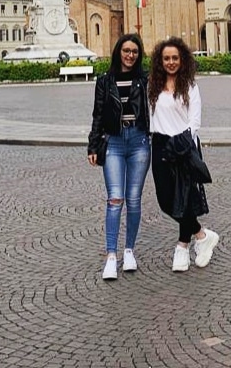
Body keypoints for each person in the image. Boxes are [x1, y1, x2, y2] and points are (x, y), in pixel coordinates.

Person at [148, 36, 219, 273]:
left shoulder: (190, 86)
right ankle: (202, 235)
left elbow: (194, 120)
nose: (170, 62)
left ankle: (182, 246)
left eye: (175, 58)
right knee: (165, 199)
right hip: (160, 144)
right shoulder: (153, 85)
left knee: (185, 198)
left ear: (182, 60)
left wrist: (183, 141)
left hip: (183, 145)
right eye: (166, 58)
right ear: (160, 61)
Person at [87, 33, 150, 281]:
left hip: (139, 141)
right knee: (115, 199)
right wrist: (93, 146)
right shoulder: (105, 81)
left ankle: (129, 251)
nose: (130, 55)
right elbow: (98, 114)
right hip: (113, 141)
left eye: (134, 51)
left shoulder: (145, 80)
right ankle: (111, 256)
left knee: (133, 199)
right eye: (126, 51)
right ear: (118, 52)